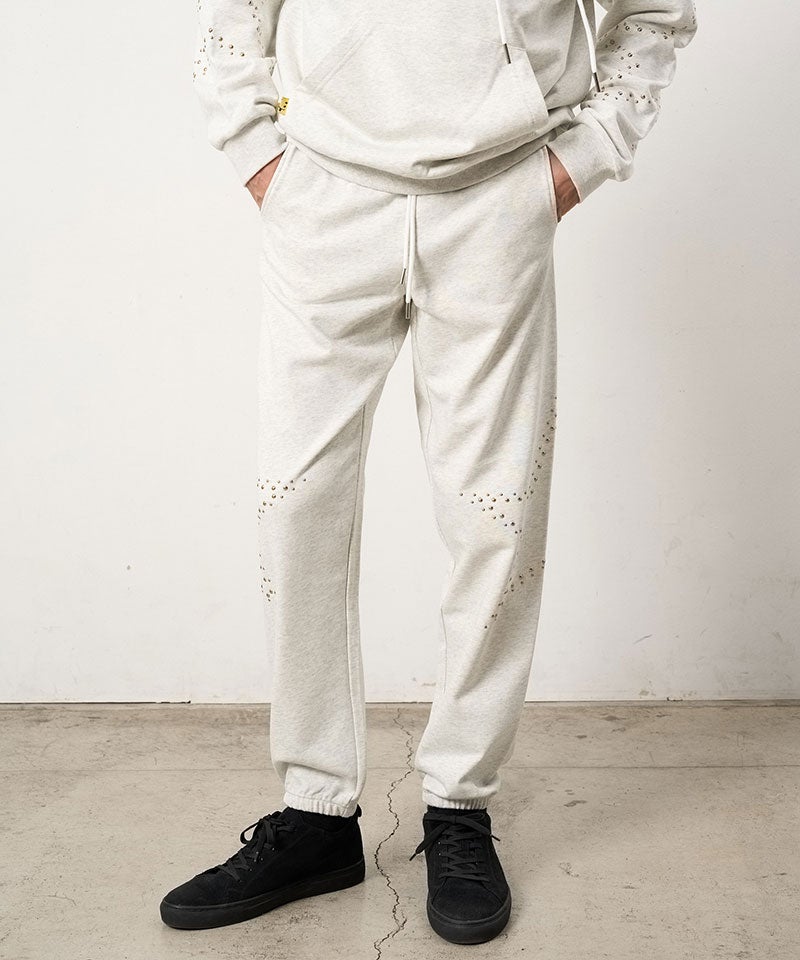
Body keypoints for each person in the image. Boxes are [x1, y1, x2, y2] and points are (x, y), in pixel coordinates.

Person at [160, 0, 698, 945]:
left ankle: (459, 803)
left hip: (499, 194)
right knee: (297, 503)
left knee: (496, 514)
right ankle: (316, 811)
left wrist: (583, 158)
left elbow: (655, 11)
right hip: (324, 193)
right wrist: (256, 152)